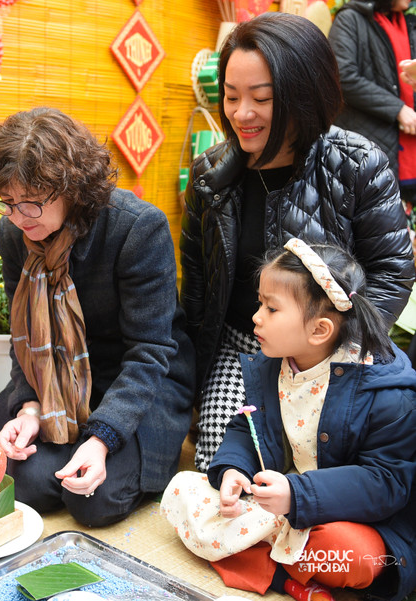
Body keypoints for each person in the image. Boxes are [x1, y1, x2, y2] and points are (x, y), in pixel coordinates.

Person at [181, 12, 415, 472]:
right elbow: (197, 288)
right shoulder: (211, 176)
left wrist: (330, 347)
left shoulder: (359, 162)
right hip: (243, 348)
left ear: (302, 95)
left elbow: (392, 270)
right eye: (231, 96)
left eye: (261, 98)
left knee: (333, 475)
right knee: (226, 472)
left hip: (333, 348)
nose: (241, 113)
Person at [0, 107, 195, 528]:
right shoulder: (14, 235)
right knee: (26, 481)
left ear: (71, 187)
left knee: (94, 500)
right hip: (54, 376)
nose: (19, 218)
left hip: (140, 378)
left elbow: (151, 351)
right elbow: (22, 336)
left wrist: (102, 439)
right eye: (8, 203)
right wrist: (29, 409)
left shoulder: (136, 228)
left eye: (33, 204)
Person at [162, 239, 416, 601]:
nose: (256, 316)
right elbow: (246, 427)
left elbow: (385, 481)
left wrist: (298, 495)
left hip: (352, 520)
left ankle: (268, 566)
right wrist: (233, 469)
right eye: (259, 303)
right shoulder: (274, 365)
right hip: (281, 507)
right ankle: (292, 582)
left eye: (271, 308)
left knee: (351, 555)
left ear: (319, 330)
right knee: (182, 491)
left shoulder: (388, 393)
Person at [329, 0, 416, 213]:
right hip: (369, 144)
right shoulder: (350, 18)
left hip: (406, 145)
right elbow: (343, 76)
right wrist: (397, 109)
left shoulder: (406, 21)